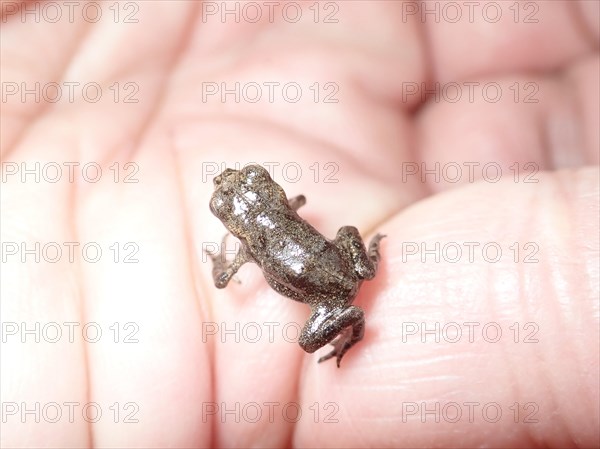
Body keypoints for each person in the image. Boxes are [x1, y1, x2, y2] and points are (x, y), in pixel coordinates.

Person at [1, 1, 598, 447]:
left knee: (311, 322)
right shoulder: (271, 221)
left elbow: (223, 279)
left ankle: (352, 322)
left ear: (260, 203)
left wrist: (223, 257)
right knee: (338, 272)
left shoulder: (249, 241)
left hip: (327, 277)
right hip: (333, 265)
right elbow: (285, 218)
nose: (235, 184)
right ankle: (354, 301)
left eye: (244, 183)